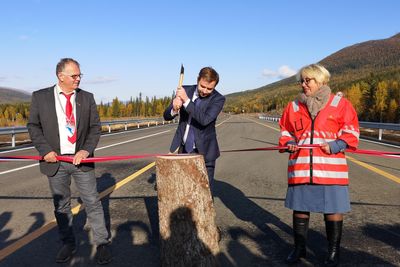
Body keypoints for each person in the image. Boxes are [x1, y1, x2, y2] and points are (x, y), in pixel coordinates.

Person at [27, 58, 112, 264]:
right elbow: (33, 126)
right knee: (61, 206)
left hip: (81, 161)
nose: (78, 79)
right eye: (74, 76)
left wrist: (85, 150)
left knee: (92, 201)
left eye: (79, 75)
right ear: (60, 76)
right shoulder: (40, 97)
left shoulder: (87, 98)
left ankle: (101, 243)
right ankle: (68, 243)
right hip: (54, 162)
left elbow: (95, 128)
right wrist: (45, 150)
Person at [279, 64, 359, 266]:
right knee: (300, 208)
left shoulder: (340, 104)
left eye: (308, 80)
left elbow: (351, 132)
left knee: (333, 209)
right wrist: (289, 143)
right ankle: (299, 249)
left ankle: (333, 252)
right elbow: (285, 131)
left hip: (331, 170)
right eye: (302, 80)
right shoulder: (294, 106)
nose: (303, 84)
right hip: (301, 168)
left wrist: (336, 145)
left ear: (321, 81)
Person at [163, 66, 225, 196]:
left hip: (205, 153)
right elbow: (166, 116)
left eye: (210, 88)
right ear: (198, 80)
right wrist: (174, 108)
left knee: (204, 194)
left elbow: (204, 119)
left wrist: (186, 101)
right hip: (183, 150)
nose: (205, 91)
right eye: (202, 86)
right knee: (183, 191)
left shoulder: (218, 99)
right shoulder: (184, 90)